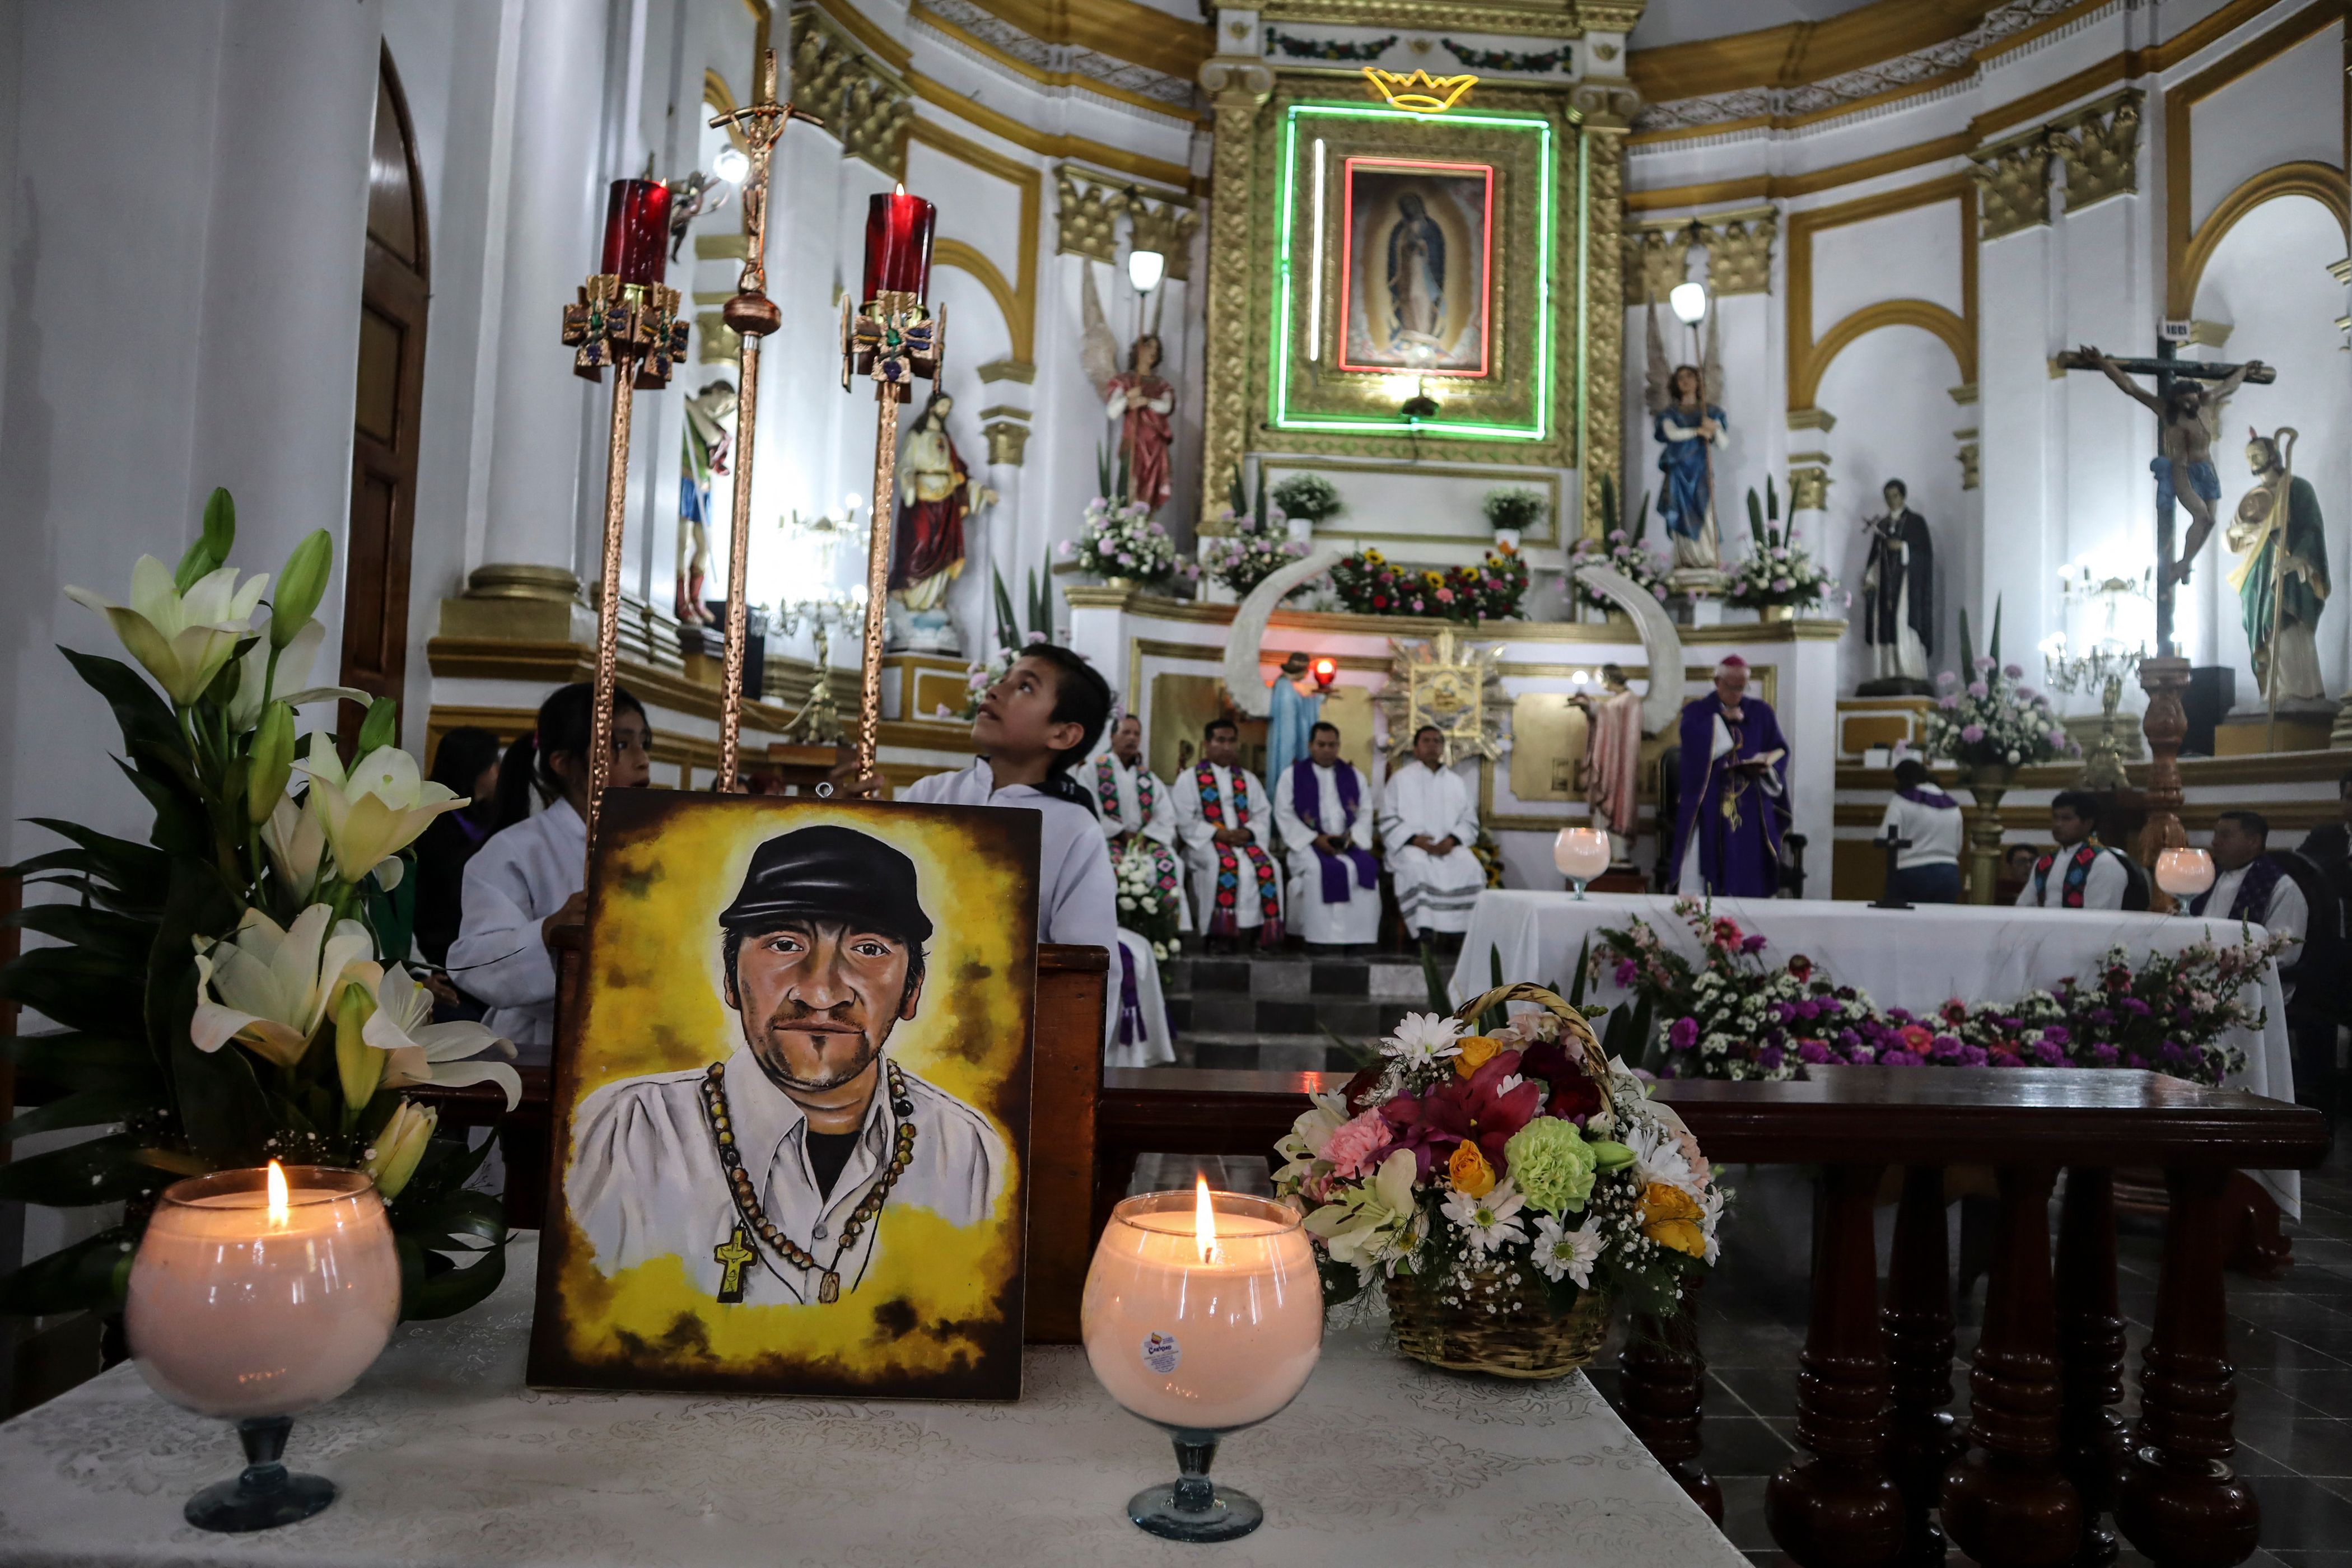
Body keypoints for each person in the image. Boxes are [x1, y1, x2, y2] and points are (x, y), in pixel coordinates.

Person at [566, 824, 1007, 1306]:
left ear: (912, 991)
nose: (821, 993)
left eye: (868, 949)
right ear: (732, 980)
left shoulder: (968, 1152)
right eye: (783, 944)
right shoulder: (622, 1133)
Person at [897, 645, 1127, 1047]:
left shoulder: (1073, 828)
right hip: (905, 1026)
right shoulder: (930, 794)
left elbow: (1086, 971)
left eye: (1024, 687)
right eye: (1003, 679)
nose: (994, 691)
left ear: (1063, 734)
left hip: (1002, 1037)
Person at [448, 683, 652, 1059]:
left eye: (645, 743)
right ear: (564, 763)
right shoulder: (516, 851)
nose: (642, 760)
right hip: (541, 1045)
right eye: (620, 745)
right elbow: (473, 962)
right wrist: (549, 931)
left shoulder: (656, 845)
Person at [2075, 343, 2267, 585]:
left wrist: (2245, 370)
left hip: (2207, 468)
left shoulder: (2207, 402)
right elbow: (2131, 388)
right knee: (2202, 517)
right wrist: (2102, 362)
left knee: (2211, 523)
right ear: (2176, 401)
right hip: (2183, 469)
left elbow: (2229, 386)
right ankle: (2182, 565)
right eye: (2185, 403)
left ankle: (2184, 563)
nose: (2190, 407)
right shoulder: (2167, 411)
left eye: (2192, 402)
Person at [1669, 656, 1788, 897]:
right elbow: (1692, 746)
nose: (1738, 693)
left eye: (1742, 687)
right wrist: (1721, 720)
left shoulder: (1761, 712)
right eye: (1732, 687)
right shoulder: (1698, 712)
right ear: (1717, 682)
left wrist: (1765, 766)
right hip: (1711, 799)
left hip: (1752, 800)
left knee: (1752, 858)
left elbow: (1779, 748)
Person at [1170, 717, 1284, 949]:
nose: (1227, 747)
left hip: (1243, 843)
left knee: (1270, 866)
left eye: (1232, 741)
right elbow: (1183, 818)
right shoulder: (1190, 779)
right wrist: (1215, 834)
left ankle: (1258, 934)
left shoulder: (1248, 780)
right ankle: (1218, 935)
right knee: (1220, 864)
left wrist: (1248, 833)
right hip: (1205, 844)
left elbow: (1262, 813)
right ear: (1207, 744)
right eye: (1220, 740)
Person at [1275, 721, 1380, 950]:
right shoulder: (1292, 775)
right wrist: (1314, 839)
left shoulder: (1353, 775)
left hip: (1347, 843)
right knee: (1318, 869)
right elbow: (1284, 813)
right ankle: (1319, 939)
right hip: (1308, 845)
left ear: (1339, 746)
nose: (1327, 750)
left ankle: (1359, 938)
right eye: (1321, 745)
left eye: (1332, 745)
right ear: (1311, 745)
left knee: (1366, 867)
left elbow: (1364, 811)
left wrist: (1353, 837)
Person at [1379, 724, 1486, 941]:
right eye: (1426, 741)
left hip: (1449, 847)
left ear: (1443, 748)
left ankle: (1462, 932)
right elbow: (1388, 818)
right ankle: (1424, 930)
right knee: (1417, 868)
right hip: (1412, 846)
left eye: (1437, 741)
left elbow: (1469, 820)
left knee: (1470, 866)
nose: (1432, 745)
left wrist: (1451, 840)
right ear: (1416, 748)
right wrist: (1416, 840)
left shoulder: (1456, 783)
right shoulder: (1400, 779)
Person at [412, 727, 504, 973]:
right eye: (495, 763)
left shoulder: (492, 817)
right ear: (476, 768)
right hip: (444, 952)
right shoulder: (434, 823)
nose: (499, 772)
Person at [1084, 712, 1188, 927]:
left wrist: (1147, 837)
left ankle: (1161, 929)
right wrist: (1120, 833)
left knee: (1171, 863)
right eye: (1126, 732)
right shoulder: (1092, 771)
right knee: (1105, 866)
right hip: (1108, 840)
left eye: (1137, 734)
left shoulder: (1148, 778)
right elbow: (1088, 811)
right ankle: (1111, 926)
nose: (1132, 738)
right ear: (1112, 737)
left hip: (1143, 843)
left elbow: (1165, 815)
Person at [2189, 811, 2308, 970]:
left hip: (2250, 980)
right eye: (2215, 834)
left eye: (2225, 836)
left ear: (2253, 841)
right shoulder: (2209, 877)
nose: (2215, 842)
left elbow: (2283, 952)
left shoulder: (2282, 888)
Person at [1860, 480, 1935, 690]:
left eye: (1895, 496)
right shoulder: (1881, 525)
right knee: (1884, 626)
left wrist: (1903, 547)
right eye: (1887, 496)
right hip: (1885, 588)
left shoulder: (1916, 522)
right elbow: (1875, 559)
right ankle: (1886, 672)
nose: (1891, 501)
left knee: (1903, 623)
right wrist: (1870, 580)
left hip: (1906, 587)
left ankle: (1908, 670)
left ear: (1903, 497)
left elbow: (1925, 556)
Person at [1654, 363, 1727, 571]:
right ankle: (1685, 558)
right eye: (1680, 378)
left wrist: (1714, 429)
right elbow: (1671, 434)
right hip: (1678, 471)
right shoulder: (1670, 413)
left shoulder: (1710, 412)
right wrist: (1698, 431)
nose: (1685, 381)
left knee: (1705, 513)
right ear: (1676, 385)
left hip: (1701, 470)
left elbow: (1723, 444)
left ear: (1698, 381)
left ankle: (1706, 558)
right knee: (1681, 511)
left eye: (1689, 376)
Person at [2017, 790, 2131, 911]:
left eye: (2066, 819)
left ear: (2088, 823)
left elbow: (2100, 917)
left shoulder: (2104, 864)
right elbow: (2024, 908)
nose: (2058, 824)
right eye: (2055, 817)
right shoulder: (2044, 863)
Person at [1103, 333, 1175, 515]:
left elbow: (1166, 407)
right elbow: (1112, 412)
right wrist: (1128, 397)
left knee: (1152, 488)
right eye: (1149, 347)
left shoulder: (1161, 385)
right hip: (1135, 440)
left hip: (1156, 443)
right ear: (1139, 350)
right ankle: (1131, 525)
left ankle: (1146, 526)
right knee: (1132, 484)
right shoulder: (1125, 381)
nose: (1153, 352)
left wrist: (1146, 401)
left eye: (1157, 350)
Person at [1875, 757, 1963, 904]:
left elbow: (1886, 836)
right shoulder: (1952, 805)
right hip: (1949, 873)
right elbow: (1958, 846)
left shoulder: (1901, 801)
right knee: (1941, 925)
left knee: (1909, 926)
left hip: (1911, 871)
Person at [1265, 651, 1322, 786]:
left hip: (1290, 735)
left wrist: (1317, 698)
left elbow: (1301, 707)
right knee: (1286, 771)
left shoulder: (1287, 686)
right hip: (1287, 738)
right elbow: (1292, 720)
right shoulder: (1285, 688)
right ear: (1303, 670)